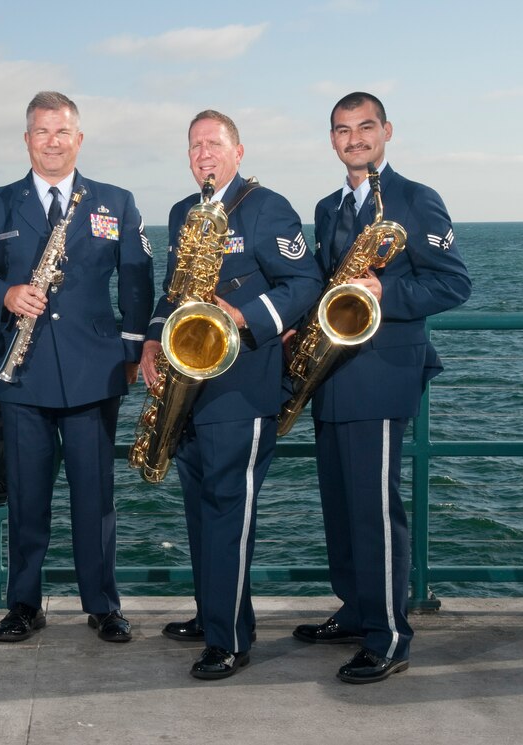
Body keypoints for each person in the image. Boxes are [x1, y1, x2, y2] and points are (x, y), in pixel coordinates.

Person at [0, 91, 154, 644]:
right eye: (42, 132)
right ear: (26, 140)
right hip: (24, 374)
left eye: (62, 132)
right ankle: (23, 604)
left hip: (95, 373)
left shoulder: (115, 201)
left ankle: (103, 604)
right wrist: (4, 294)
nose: (52, 142)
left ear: (79, 139)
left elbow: (137, 279)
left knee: (96, 499)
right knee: (26, 497)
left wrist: (135, 349)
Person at [291, 92, 471, 683]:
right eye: (343, 130)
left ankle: (390, 635)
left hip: (384, 375)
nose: (355, 139)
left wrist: (383, 295)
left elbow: (452, 285)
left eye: (366, 127)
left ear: (387, 132)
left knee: (375, 511)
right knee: (340, 510)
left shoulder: (418, 199)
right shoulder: (325, 206)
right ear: (333, 140)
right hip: (331, 375)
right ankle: (356, 609)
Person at [140, 110, 321, 680]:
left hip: (241, 388)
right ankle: (211, 613)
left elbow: (306, 282)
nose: (204, 155)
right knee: (200, 511)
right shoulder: (180, 213)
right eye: (195, 147)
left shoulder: (268, 208)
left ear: (239, 152)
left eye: (214, 144)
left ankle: (230, 640)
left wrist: (243, 315)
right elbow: (173, 292)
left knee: (228, 514)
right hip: (187, 385)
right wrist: (150, 342)